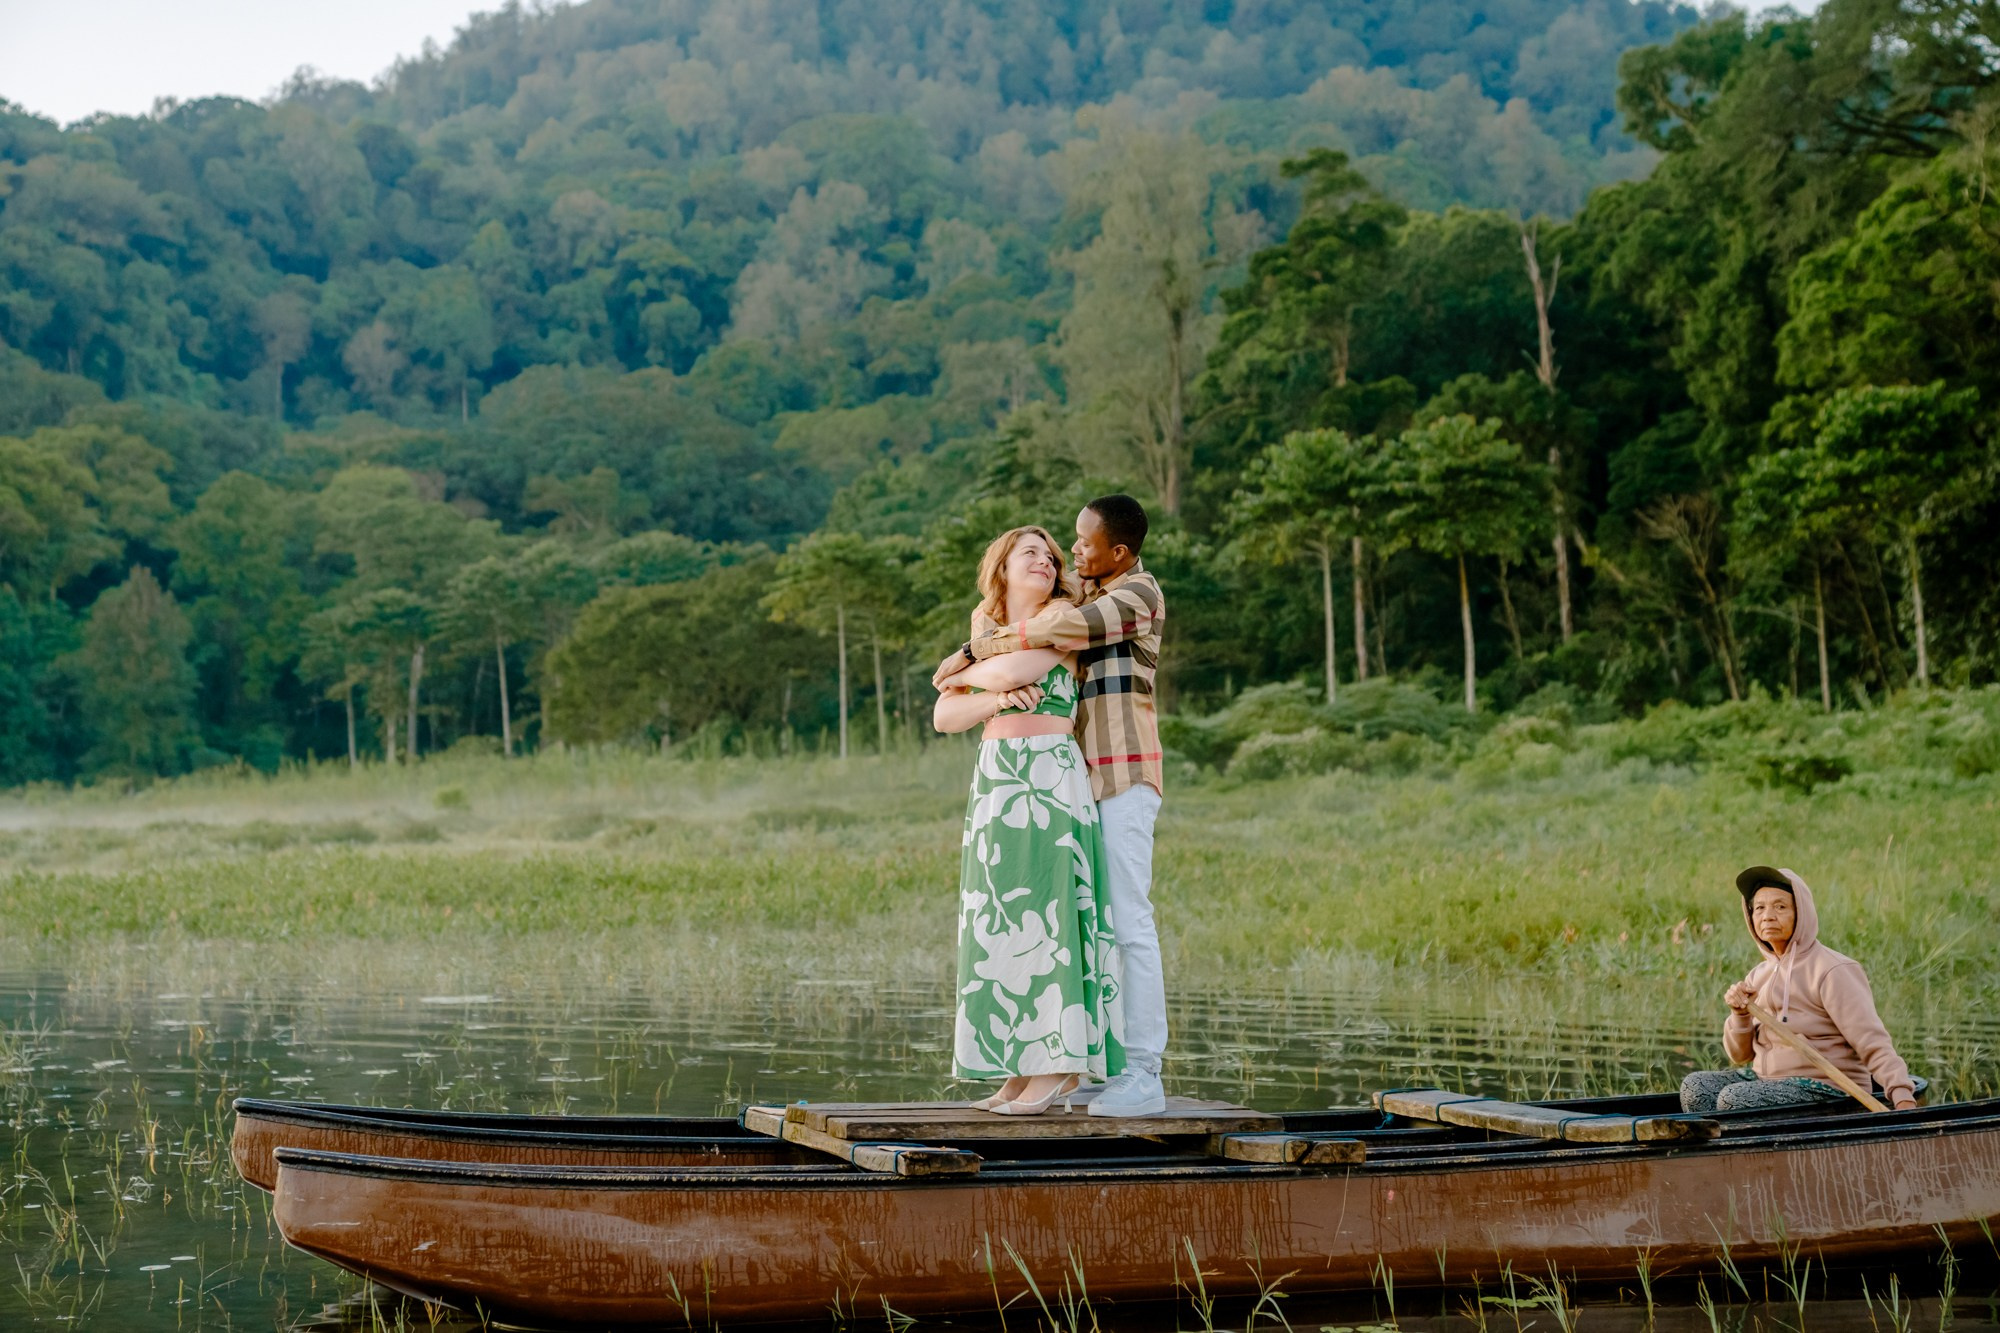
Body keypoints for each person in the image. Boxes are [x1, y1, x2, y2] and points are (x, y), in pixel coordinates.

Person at [932, 495, 1167, 1118]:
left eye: (1081, 543)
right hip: (1072, 776)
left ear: (1118, 550)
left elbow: (1051, 637)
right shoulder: (1081, 590)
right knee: (1075, 919)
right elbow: (950, 706)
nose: (1072, 552)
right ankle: (1081, 1067)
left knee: (1121, 920)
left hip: (1117, 771)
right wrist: (981, 666)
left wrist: (968, 658)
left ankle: (1141, 1070)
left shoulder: (1131, 595)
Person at [1680, 866, 1919, 1114]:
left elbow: (1873, 1042)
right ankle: (1722, 1151)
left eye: (1780, 907)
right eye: (1759, 908)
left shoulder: (1832, 970)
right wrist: (1739, 1016)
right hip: (1767, 1082)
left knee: (1734, 1100)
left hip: (1827, 1088)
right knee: (1696, 1087)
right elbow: (1741, 1056)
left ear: (1800, 913)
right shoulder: (1758, 975)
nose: (1768, 916)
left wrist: (1902, 1098)